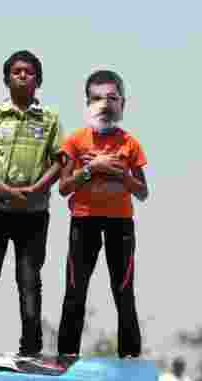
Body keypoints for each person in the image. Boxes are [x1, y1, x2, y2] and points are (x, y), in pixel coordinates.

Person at [0, 50, 66, 357]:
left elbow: (59, 162)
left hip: (34, 214)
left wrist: (36, 189)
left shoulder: (49, 119)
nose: (22, 75)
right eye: (16, 71)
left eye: (28, 72)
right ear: (7, 79)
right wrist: (5, 190)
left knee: (29, 279)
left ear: (38, 80)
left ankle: (30, 348)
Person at [56, 69, 149, 360]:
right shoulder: (75, 141)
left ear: (122, 103)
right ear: (88, 103)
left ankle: (130, 358)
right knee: (75, 289)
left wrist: (121, 174)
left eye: (111, 98)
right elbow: (63, 188)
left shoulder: (130, 143)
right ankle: (66, 355)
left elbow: (143, 192)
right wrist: (91, 169)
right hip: (84, 221)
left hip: (120, 224)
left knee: (123, 290)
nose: (104, 105)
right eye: (97, 99)